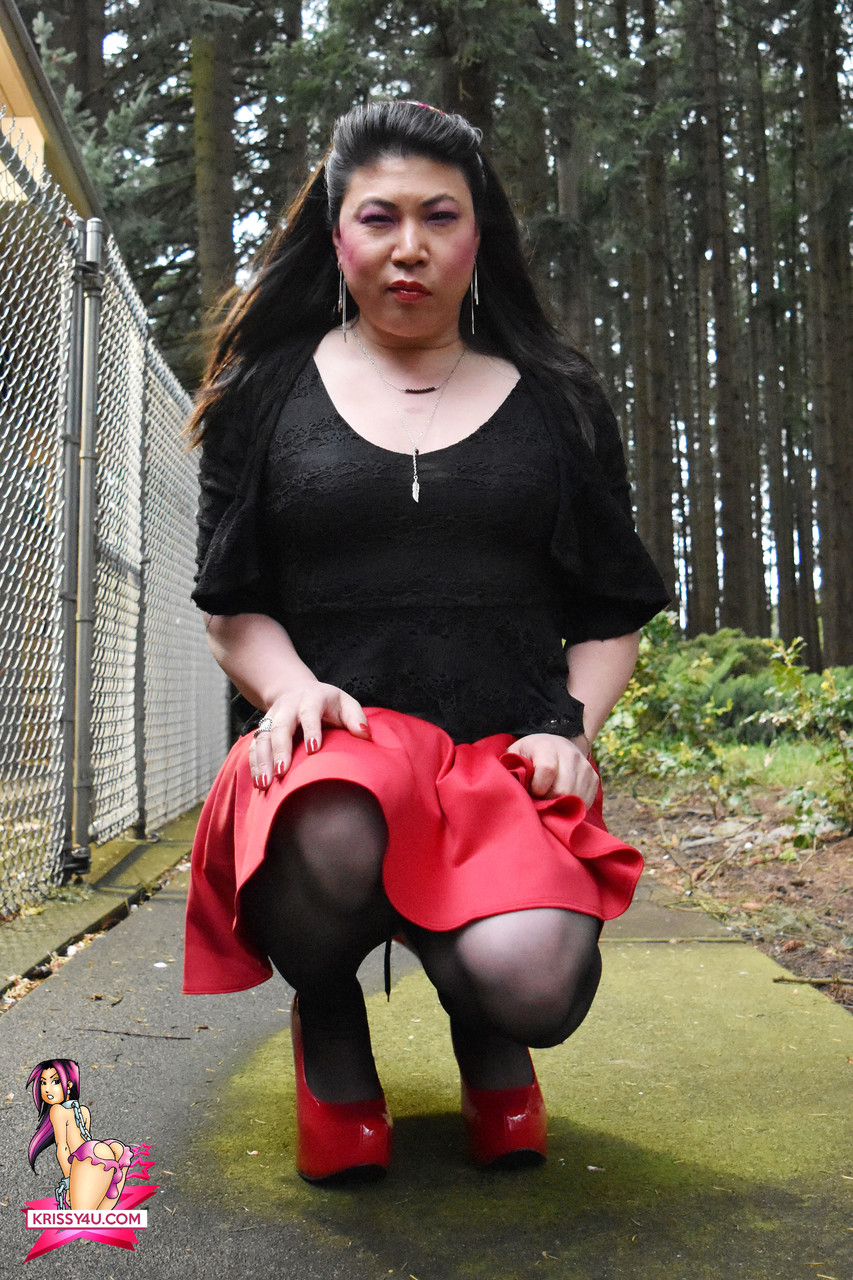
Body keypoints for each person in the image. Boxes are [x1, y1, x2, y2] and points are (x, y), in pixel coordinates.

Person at [183, 99, 669, 1184]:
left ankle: (483, 1018)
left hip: (497, 763)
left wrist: (571, 733)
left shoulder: (560, 398)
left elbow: (608, 613)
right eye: (380, 217)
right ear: (337, 237)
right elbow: (230, 605)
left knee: (536, 982)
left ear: (477, 234)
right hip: (333, 755)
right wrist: (291, 689)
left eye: (439, 216)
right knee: (335, 816)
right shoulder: (265, 391)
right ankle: (328, 1015)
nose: (409, 246)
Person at [26, 1059, 133, 1209]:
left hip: (86, 1161)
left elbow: (63, 1147)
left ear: (69, 1084)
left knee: (83, 1213)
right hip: (95, 1156)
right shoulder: (83, 1111)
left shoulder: (58, 1111)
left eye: (55, 1081)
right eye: (43, 1083)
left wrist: (69, 1180)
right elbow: (85, 1142)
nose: (47, 1089)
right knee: (97, 1211)